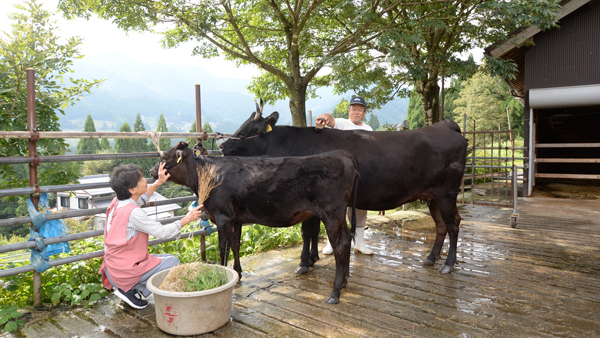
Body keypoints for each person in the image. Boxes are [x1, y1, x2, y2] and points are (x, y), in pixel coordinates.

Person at [99, 163, 203, 309]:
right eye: (141, 179)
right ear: (132, 189)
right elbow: (162, 232)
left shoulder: (117, 202)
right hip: (124, 272)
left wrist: (159, 182)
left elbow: (140, 198)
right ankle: (129, 289)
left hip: (113, 268)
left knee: (164, 258)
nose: (145, 181)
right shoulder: (134, 213)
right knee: (173, 262)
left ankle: (130, 289)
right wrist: (187, 218)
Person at [315, 96, 374, 256]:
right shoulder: (341, 123)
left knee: (360, 208)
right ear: (349, 110)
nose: (356, 112)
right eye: (354, 109)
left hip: (360, 173)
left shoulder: (368, 130)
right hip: (339, 175)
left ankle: (359, 244)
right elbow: (329, 118)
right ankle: (331, 243)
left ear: (364, 112)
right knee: (335, 209)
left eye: (360, 109)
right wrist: (322, 119)